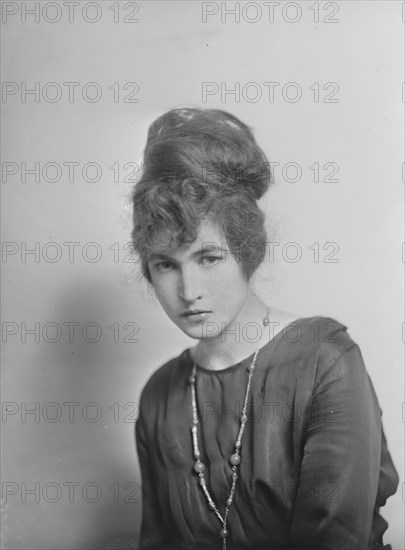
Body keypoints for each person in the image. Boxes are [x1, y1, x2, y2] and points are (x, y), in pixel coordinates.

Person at [131, 108, 399, 550]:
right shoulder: (160, 394)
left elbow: (335, 537)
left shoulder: (323, 358)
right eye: (165, 265)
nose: (189, 290)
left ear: (247, 252)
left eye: (209, 258)